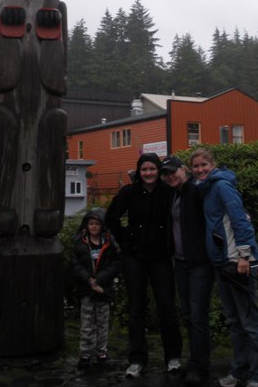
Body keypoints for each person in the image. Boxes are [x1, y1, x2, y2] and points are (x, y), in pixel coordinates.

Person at [190, 148, 258, 387]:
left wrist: (245, 256)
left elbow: (239, 219)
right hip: (221, 264)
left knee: (250, 321)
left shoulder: (222, 186)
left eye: (204, 164)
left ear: (213, 164)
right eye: (195, 166)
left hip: (238, 262)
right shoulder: (204, 189)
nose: (200, 169)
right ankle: (240, 371)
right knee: (235, 321)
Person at [105, 152, 182, 378]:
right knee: (137, 308)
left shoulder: (168, 192)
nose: (148, 173)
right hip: (134, 258)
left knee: (167, 306)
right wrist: (125, 238)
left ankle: (173, 357)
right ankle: (137, 359)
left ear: (159, 171)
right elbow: (111, 217)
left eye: (152, 169)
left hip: (161, 258)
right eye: (144, 169)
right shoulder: (129, 192)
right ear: (139, 172)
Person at [161, 155, 215, 386]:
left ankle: (199, 365)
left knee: (198, 314)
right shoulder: (175, 193)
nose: (170, 176)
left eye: (174, 171)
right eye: (167, 173)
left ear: (184, 170)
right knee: (188, 313)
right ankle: (195, 360)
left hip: (200, 262)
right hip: (181, 262)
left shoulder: (196, 190)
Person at [70, 207, 122, 369]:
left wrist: (99, 279)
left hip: (103, 289)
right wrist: (88, 279)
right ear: (86, 225)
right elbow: (75, 265)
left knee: (102, 323)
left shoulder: (109, 244)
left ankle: (101, 352)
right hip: (86, 289)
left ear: (102, 226)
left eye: (97, 224)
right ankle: (85, 353)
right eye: (90, 223)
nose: (93, 227)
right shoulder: (79, 243)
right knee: (87, 324)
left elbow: (116, 263)